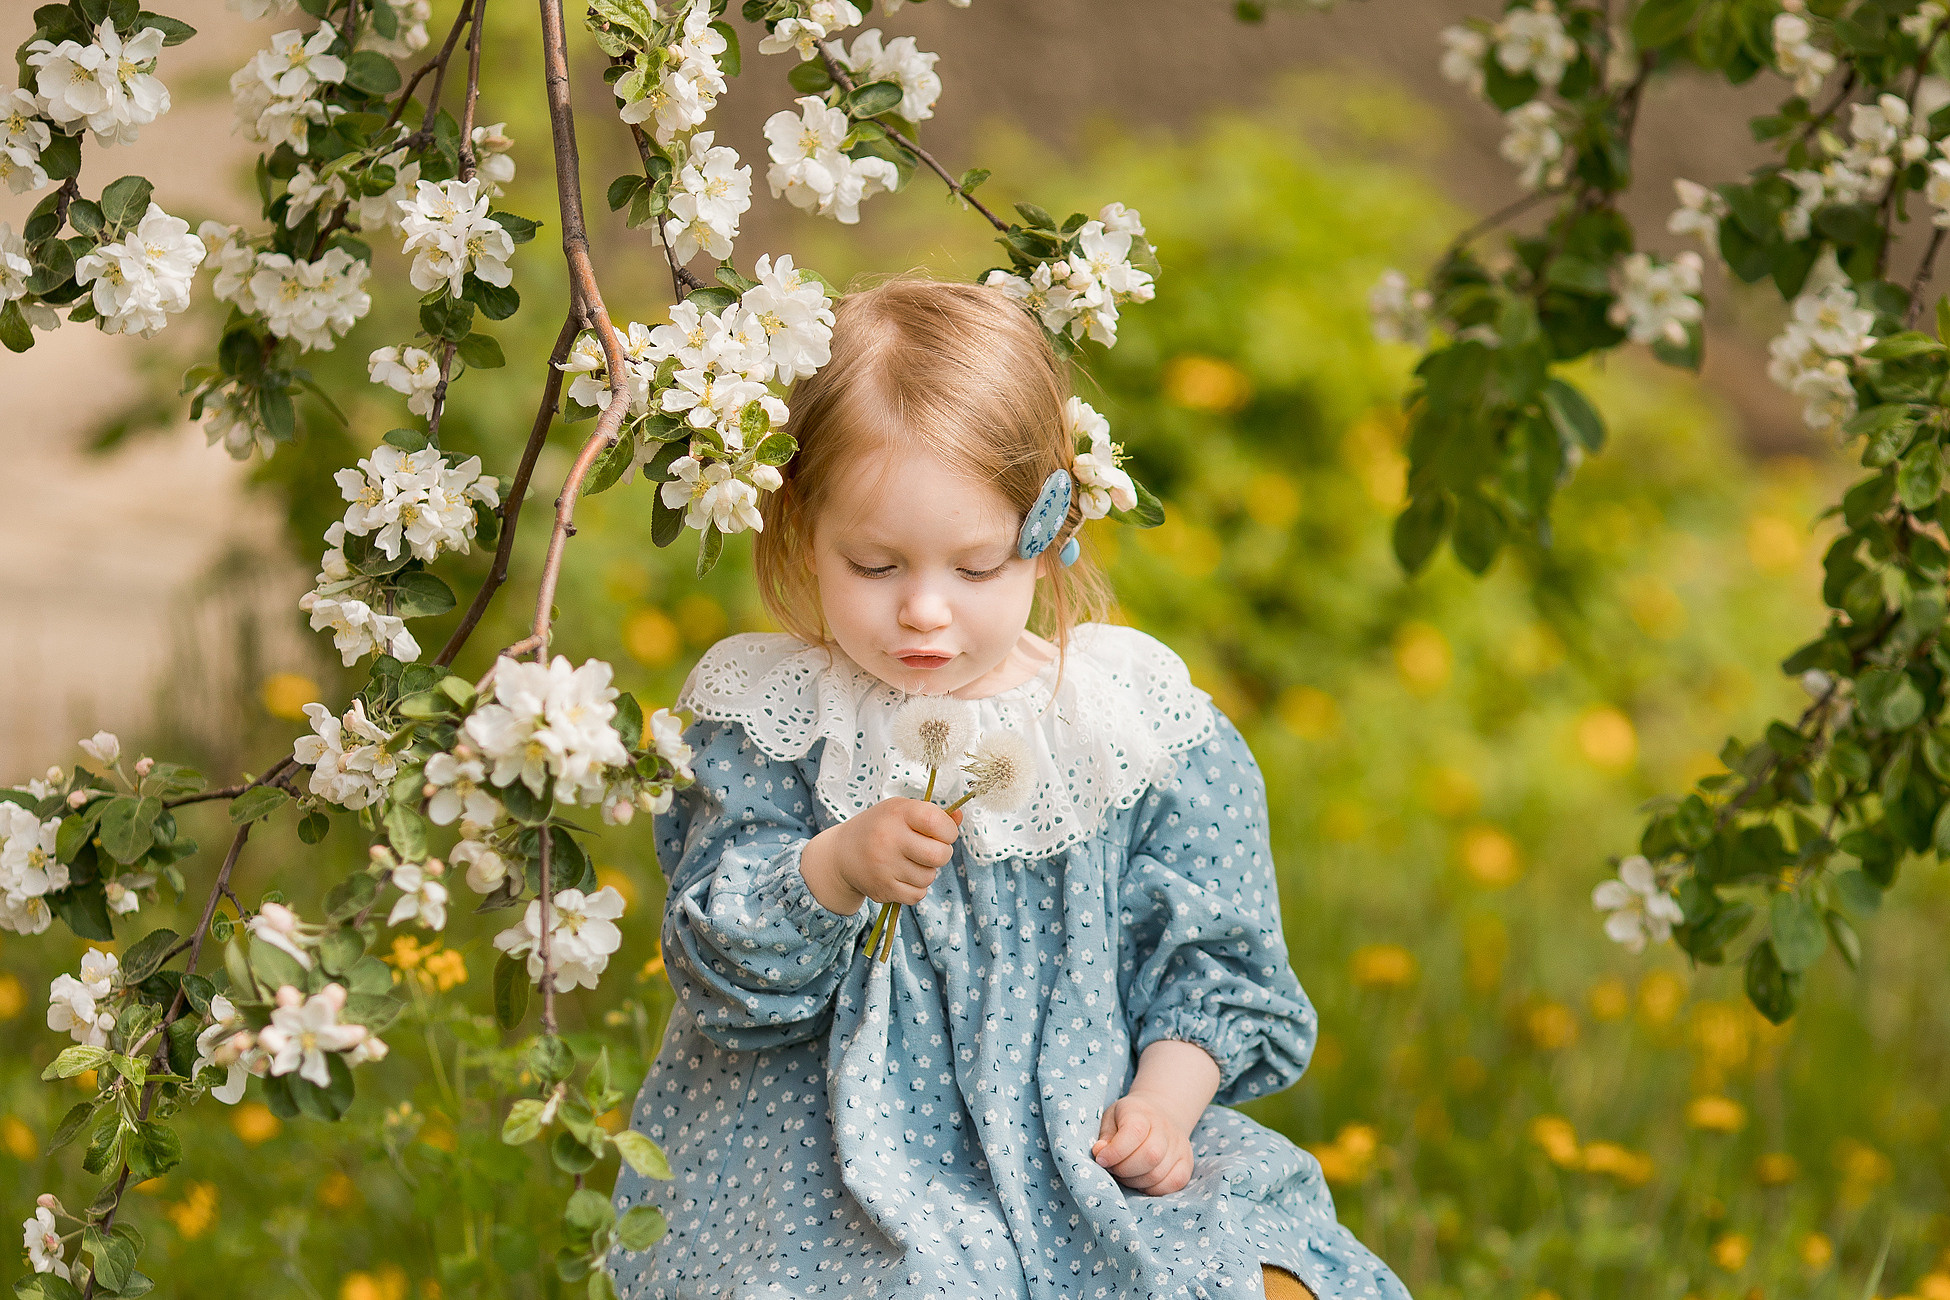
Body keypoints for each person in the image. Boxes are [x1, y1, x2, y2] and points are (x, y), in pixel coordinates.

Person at [608, 278, 1410, 1300]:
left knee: (1262, 1284)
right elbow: (722, 974)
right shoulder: (778, 723)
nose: (926, 611)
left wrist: (1163, 1105)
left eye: (977, 566)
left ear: (1047, 531)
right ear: (800, 526)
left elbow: (1214, 965)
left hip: (1080, 1145)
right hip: (829, 1170)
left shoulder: (1124, 727)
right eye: (875, 562)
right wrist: (833, 868)